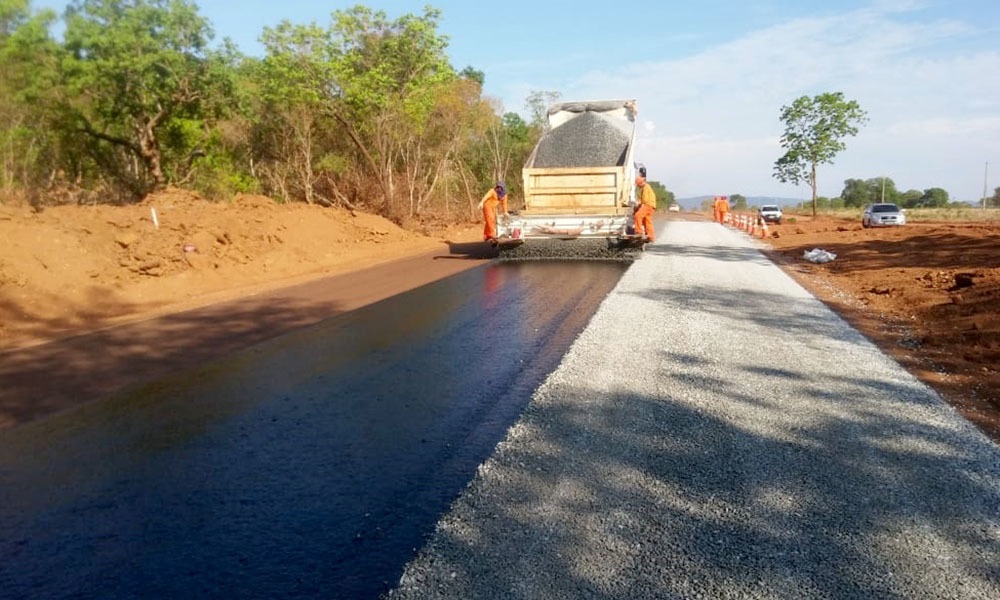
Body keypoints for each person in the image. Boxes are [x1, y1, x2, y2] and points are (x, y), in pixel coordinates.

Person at [633, 167, 656, 242]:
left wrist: (639, 205)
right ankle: (651, 236)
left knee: (637, 216)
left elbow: (645, 200)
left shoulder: (645, 188)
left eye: (638, 185)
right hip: (652, 206)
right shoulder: (647, 186)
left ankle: (639, 232)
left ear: (640, 183)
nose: (638, 186)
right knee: (647, 220)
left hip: (648, 205)